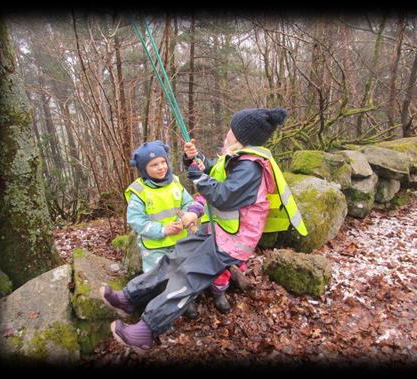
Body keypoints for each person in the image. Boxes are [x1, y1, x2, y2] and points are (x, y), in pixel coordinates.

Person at [100, 108, 308, 353]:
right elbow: (211, 170)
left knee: (187, 277)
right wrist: (194, 159)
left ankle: (146, 331)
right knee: (172, 259)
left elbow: (224, 196)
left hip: (230, 241)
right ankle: (129, 298)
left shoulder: (251, 168)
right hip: (215, 231)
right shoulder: (237, 158)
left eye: (231, 129)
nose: (227, 132)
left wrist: (199, 177)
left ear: (241, 136)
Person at [110, 140, 204, 319]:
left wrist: (187, 217)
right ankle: (159, 309)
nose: (161, 168)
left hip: (179, 241)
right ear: (144, 169)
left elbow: (188, 202)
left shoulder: (175, 182)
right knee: (158, 279)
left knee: (183, 272)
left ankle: (185, 302)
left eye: (163, 162)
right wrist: (162, 229)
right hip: (155, 246)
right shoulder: (139, 191)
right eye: (154, 165)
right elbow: (135, 220)